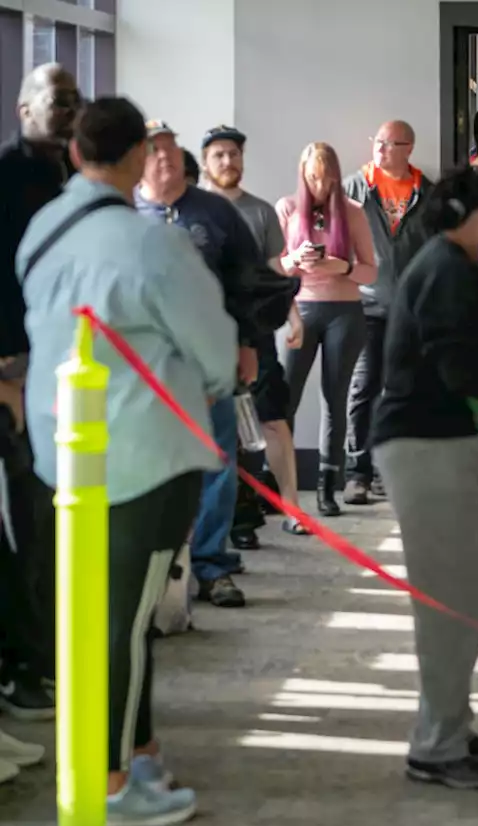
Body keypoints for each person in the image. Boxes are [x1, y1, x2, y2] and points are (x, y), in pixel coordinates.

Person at [21, 95, 238, 826]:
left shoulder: (44, 226)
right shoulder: (153, 245)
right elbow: (213, 348)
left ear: (76, 154)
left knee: (101, 613)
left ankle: (135, 751)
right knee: (125, 620)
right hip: (144, 455)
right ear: (140, 160)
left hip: (59, 448)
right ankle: (112, 782)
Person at [371, 165, 478, 790]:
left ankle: (451, 724)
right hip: (428, 447)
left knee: (466, 600)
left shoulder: (467, 270)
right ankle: (436, 748)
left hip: (462, 445)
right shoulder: (445, 272)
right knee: (446, 605)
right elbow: (468, 376)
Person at [135, 120, 260, 609]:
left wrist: (247, 343)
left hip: (211, 362)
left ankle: (212, 566)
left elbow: (248, 284)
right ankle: (154, 572)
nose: (164, 158)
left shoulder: (216, 213)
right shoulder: (127, 213)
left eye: (171, 150)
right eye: (153, 152)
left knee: (217, 463)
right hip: (146, 368)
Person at [0, 62, 79, 722]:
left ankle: (49, 654)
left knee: (58, 521)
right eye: (56, 100)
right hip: (15, 378)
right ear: (25, 107)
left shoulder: (80, 178)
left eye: (76, 100)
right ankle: (23, 666)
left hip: (71, 378)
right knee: (24, 522)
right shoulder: (5, 175)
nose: (67, 109)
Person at [200, 124, 308, 538]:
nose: (228, 161)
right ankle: (229, 517)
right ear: (206, 162)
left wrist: (293, 316)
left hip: (256, 333)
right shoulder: (194, 209)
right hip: (207, 334)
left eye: (234, 154)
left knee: (271, 418)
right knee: (216, 424)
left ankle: (293, 507)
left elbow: (273, 274)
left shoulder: (261, 212)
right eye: (219, 155)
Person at [276, 142, 378, 517]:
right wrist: (294, 260)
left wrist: (344, 268)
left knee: (335, 401)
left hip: (344, 312)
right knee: (285, 398)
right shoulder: (287, 208)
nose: (320, 185)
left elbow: (372, 270)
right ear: (303, 175)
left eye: (326, 177)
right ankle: (283, 487)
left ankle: (326, 488)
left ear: (336, 175)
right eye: (313, 177)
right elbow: (274, 268)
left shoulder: (352, 212)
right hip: (301, 310)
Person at [342, 120, 434, 506]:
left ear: (408, 147)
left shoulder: (426, 192)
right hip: (365, 305)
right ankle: (357, 473)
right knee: (364, 387)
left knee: (403, 391)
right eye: (376, 142)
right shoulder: (355, 188)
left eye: (389, 143)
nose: (379, 149)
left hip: (410, 311)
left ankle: (389, 471)